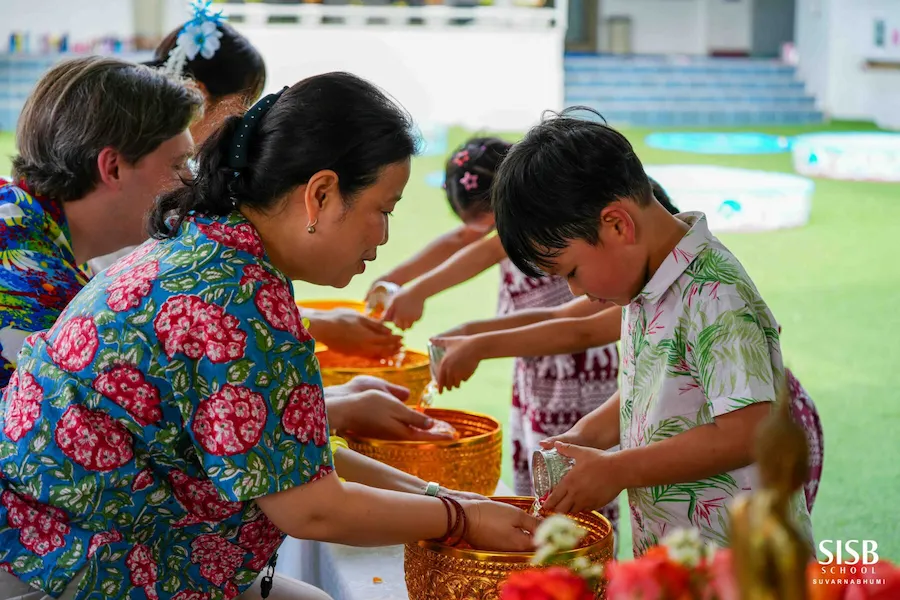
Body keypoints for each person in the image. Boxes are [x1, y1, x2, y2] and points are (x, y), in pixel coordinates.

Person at [0, 72, 537, 600]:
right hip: (66, 565)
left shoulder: (209, 247)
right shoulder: (239, 296)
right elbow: (311, 509)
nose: (384, 235)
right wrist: (459, 517)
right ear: (321, 194)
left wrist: (445, 498)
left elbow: (282, 457)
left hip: (65, 546)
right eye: (382, 209)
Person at [489, 108, 813, 556]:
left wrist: (618, 469)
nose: (575, 290)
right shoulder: (647, 282)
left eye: (572, 271)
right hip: (677, 557)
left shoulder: (715, 294)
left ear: (618, 225)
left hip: (740, 563)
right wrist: (587, 435)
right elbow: (653, 388)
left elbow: (749, 431)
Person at [92, 2, 402, 359]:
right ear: (320, 194)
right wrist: (312, 324)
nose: (246, 131)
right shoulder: (205, 238)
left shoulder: (210, 232)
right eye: (242, 109)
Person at [377, 138, 621, 515]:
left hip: (573, 369)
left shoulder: (542, 217)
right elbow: (465, 242)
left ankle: (572, 544)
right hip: (531, 354)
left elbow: (573, 330)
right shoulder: (523, 218)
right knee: (536, 468)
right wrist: (401, 284)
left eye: (493, 225)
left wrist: (427, 299)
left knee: (568, 484)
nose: (495, 233)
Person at [0, 56, 202, 390]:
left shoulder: (30, 225)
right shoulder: (30, 281)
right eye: (179, 164)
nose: (190, 183)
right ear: (113, 168)